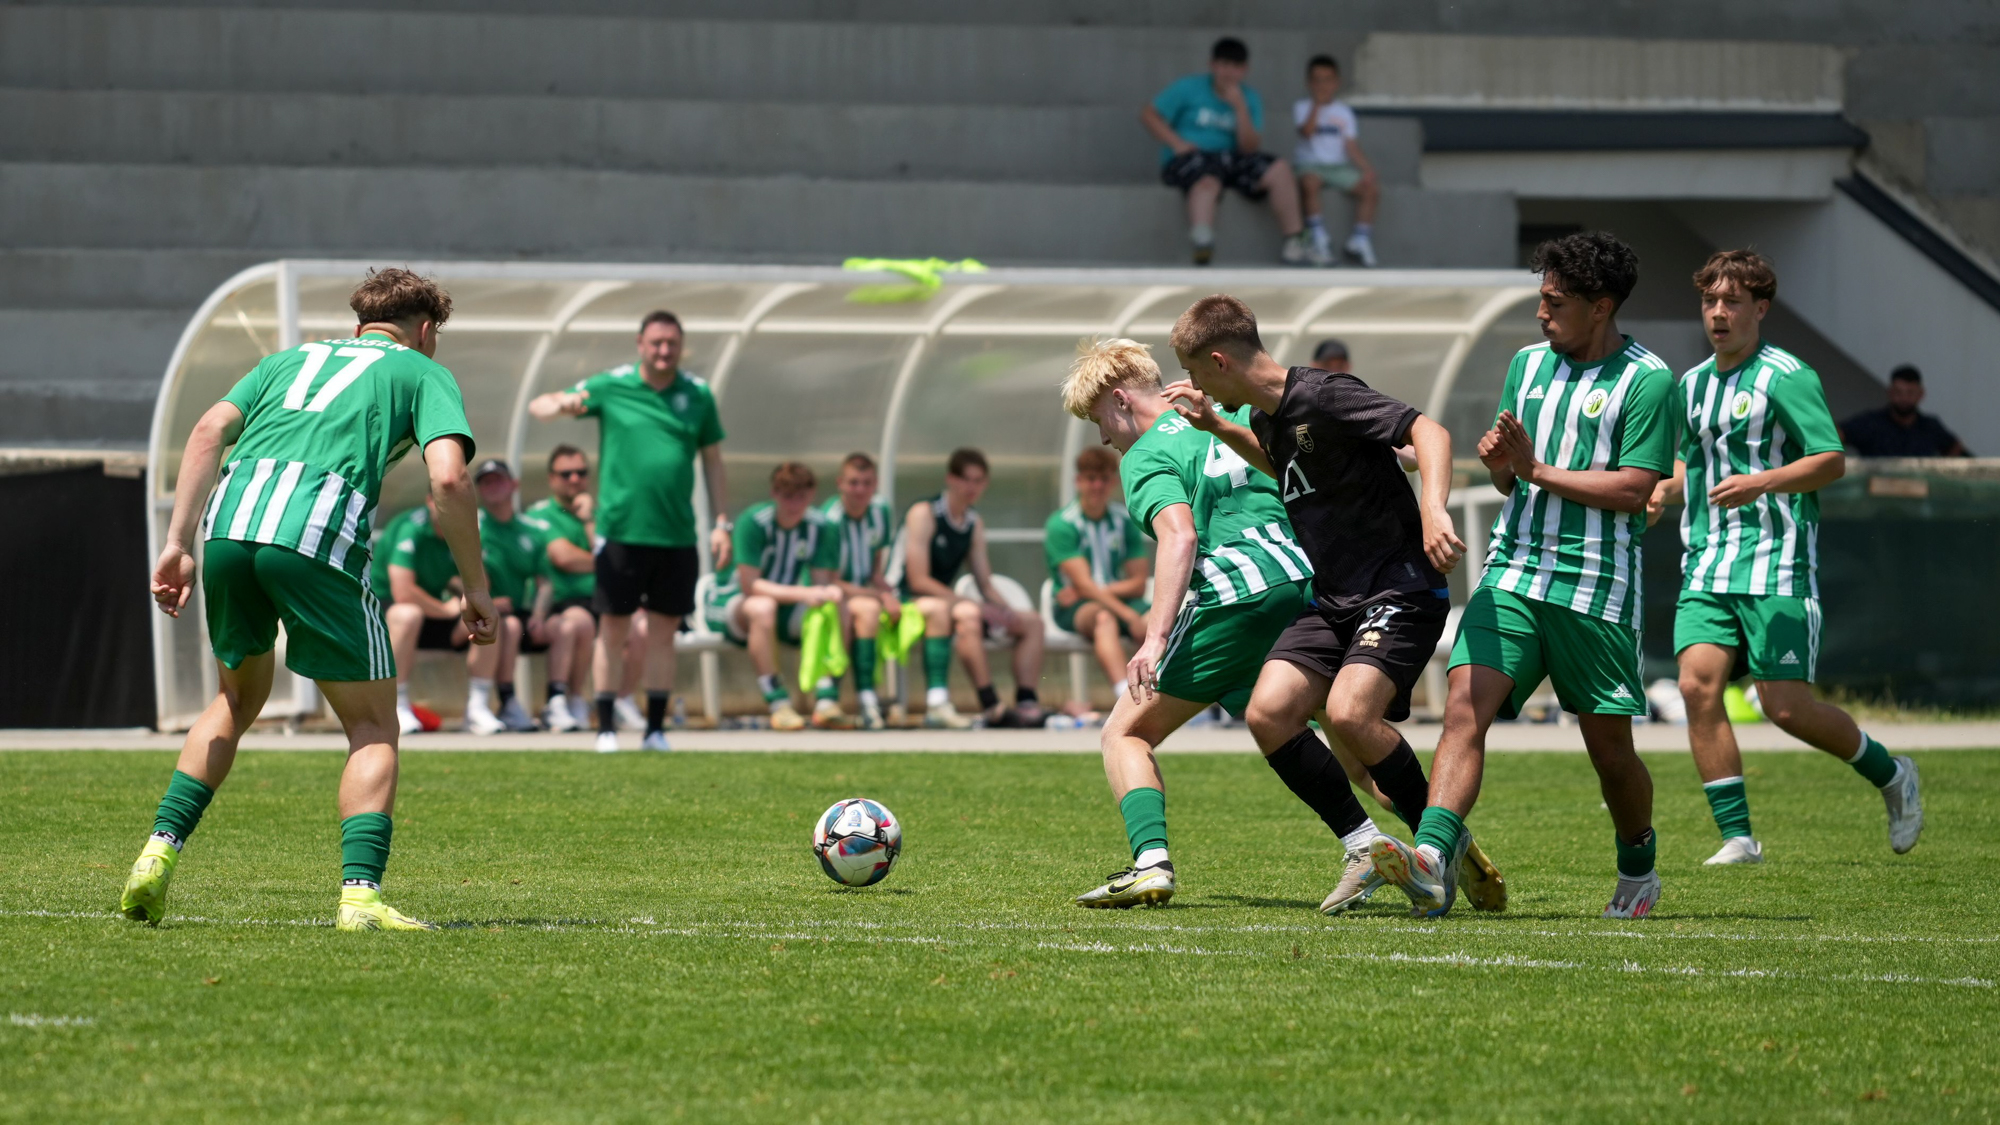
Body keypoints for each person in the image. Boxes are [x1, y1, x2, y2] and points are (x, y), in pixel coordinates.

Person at [124, 267, 495, 932]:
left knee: (234, 701)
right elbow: (449, 479)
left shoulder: (285, 360)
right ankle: (360, 899)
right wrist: (476, 586)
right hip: (314, 534)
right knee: (374, 726)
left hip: (229, 528)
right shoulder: (421, 370)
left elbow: (208, 430)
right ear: (425, 329)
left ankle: (157, 851)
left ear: (360, 322)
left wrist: (177, 543)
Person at [1162, 294, 1506, 916]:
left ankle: (1435, 852)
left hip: (1399, 587)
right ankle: (1367, 845)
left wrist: (1432, 509)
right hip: (1335, 598)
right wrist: (1219, 428)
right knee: (1269, 713)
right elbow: (1285, 467)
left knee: (1349, 715)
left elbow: (1428, 431)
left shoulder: (1325, 394)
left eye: (1193, 371)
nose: (1194, 385)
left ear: (1218, 362)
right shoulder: (1266, 417)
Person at [1373, 232, 1675, 920]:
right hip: (1514, 570)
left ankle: (1638, 866)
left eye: (1556, 302)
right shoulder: (1527, 365)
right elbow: (1511, 480)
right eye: (1541, 298)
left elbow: (1635, 489)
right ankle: (1433, 860)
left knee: (1610, 752)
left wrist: (1532, 468)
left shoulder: (1649, 380)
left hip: (1596, 585)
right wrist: (1502, 466)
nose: (1541, 313)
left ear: (1601, 307)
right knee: (1462, 709)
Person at [1649, 250, 1923, 865]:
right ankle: (1738, 838)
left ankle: (1892, 774)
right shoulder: (1690, 385)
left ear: (1761, 308)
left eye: (1732, 302)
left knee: (1785, 708)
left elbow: (1830, 460)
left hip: (1777, 561)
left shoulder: (1787, 375)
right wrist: (1664, 491)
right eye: (1709, 301)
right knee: (1695, 685)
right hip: (1707, 563)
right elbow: (1686, 460)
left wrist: (1762, 482)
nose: (1718, 314)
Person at [1060, 338, 1317, 907]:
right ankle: (1437, 843)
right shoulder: (1227, 412)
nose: (1103, 438)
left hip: (1235, 601)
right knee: (1345, 735)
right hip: (1303, 584)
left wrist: (1154, 639)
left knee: (1123, 733)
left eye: (1098, 420)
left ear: (1121, 399)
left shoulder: (1143, 454)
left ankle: (1151, 863)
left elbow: (1180, 535)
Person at [528, 310, 730, 753]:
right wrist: (559, 405)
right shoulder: (612, 385)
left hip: (677, 537)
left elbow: (714, 461)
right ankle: (605, 729)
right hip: (621, 535)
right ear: (641, 344)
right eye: (656, 343)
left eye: (671, 343)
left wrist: (721, 523)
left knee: (662, 634)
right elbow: (542, 406)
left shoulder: (697, 394)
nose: (664, 351)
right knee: (613, 630)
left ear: (682, 346)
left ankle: (655, 730)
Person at [898, 448, 1047, 728]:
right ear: (950, 479)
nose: (971, 487)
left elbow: (984, 582)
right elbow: (917, 580)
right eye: (966, 479)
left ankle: (1027, 702)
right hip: (904, 599)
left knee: (1032, 622)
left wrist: (1004, 611)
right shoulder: (924, 513)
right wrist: (978, 607)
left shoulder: (972, 522)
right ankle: (992, 706)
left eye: (978, 481)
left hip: (943, 603)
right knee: (968, 613)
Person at [703, 462, 848, 730]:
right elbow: (750, 586)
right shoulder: (754, 522)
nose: (794, 504)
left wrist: (828, 591)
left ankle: (827, 700)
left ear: (812, 494)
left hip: (785, 604)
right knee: (763, 607)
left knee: (835, 607)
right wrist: (805, 592)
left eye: (801, 496)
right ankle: (778, 703)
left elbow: (820, 581)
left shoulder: (821, 526)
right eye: (787, 496)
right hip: (730, 602)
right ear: (774, 493)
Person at [1142, 36, 1310, 267]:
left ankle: (1295, 242)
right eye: (1224, 65)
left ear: (1245, 70)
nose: (1229, 72)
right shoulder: (1187, 87)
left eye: (1236, 66)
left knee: (1279, 168)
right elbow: (1149, 115)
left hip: (1231, 158)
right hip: (1191, 157)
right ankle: (1203, 240)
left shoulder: (1250, 97)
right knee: (1206, 179)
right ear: (1213, 65)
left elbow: (1249, 148)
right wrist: (1176, 143)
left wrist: (1240, 108)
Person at [377, 498, 517, 734]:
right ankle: (396, 706)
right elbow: (403, 591)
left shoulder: (462, 529)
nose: (449, 506)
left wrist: (471, 544)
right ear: (429, 501)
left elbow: (480, 585)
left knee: (486, 616)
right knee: (408, 614)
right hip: (390, 614)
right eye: (443, 496)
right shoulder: (411, 527)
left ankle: (477, 708)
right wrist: (445, 610)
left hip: (435, 613)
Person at [1045, 447, 1152, 712]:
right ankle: (1127, 699)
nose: (1097, 486)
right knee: (1103, 618)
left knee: (1158, 620)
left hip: (1099, 599)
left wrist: (1090, 590)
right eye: (1091, 478)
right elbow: (1084, 585)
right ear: (1078, 480)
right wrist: (1127, 615)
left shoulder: (1124, 520)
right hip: (1074, 608)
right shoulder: (1062, 523)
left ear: (1113, 482)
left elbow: (1138, 583)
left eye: (1104, 479)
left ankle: (1167, 694)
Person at [473, 458, 560, 733]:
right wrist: (485, 600)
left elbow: (545, 582)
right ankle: (479, 705)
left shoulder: (532, 530)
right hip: (470, 611)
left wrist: (538, 615)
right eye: (485, 482)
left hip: (512, 614)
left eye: (498, 480)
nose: (492, 486)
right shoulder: (471, 526)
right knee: (500, 622)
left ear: (514, 485)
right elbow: (456, 577)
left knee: (561, 625)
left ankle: (559, 703)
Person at [520, 444, 599, 731]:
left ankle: (620, 702)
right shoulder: (540, 513)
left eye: (581, 472)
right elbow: (563, 557)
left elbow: (617, 559)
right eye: (566, 474)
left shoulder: (595, 514)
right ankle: (562, 701)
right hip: (556, 605)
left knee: (639, 623)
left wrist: (588, 520)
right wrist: (603, 562)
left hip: (598, 600)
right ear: (551, 478)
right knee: (578, 622)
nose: (574, 479)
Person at [819, 452, 899, 730]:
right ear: (840, 483)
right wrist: (878, 596)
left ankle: (934, 699)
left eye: (867, 483)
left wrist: (889, 593)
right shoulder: (829, 520)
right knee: (867, 610)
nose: (860, 490)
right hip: (829, 594)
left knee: (905, 612)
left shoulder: (881, 511)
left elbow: (876, 570)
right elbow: (830, 580)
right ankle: (856, 699)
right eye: (853, 483)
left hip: (864, 592)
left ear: (875, 484)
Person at [1293, 55, 1379, 268]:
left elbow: (1351, 145)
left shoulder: (1344, 112)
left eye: (1327, 79)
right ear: (1308, 83)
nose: (1322, 85)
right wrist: (1317, 106)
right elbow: (1307, 132)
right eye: (1317, 80)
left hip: (1338, 167)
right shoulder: (1302, 107)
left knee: (1371, 189)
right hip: (1310, 165)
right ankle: (1318, 236)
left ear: (1337, 82)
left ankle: (1359, 239)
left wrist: (1366, 169)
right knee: (1309, 183)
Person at [1839, 365, 1971, 456]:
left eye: (1910, 393)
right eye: (1898, 392)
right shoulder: (1871, 423)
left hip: (1920, 488)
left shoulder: (1930, 427)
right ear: (1890, 393)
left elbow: (1955, 449)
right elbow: (1836, 435)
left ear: (1920, 394)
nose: (1904, 398)